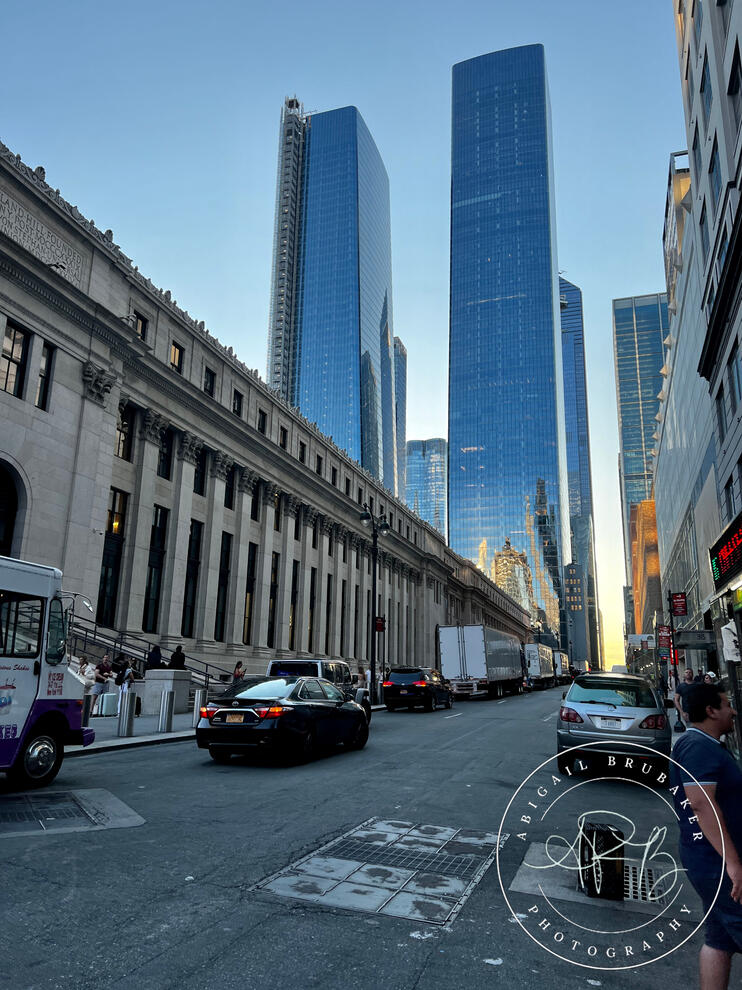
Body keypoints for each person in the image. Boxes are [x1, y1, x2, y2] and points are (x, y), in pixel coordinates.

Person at [670, 682, 742, 989]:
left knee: (718, 939)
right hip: (716, 864)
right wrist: (733, 863)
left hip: (709, 860)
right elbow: (701, 804)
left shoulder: (701, 745)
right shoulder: (697, 746)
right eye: (726, 704)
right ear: (711, 711)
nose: (733, 710)